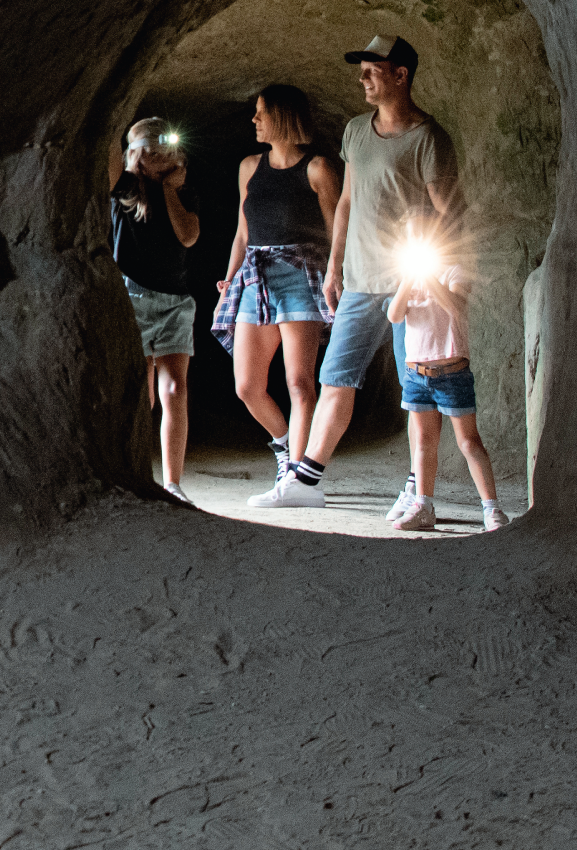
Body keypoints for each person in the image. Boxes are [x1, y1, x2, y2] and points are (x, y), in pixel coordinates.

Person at [260, 34, 463, 510]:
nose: (362, 78)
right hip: (359, 281)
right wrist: (335, 267)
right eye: (362, 70)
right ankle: (304, 482)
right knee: (336, 378)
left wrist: (437, 276)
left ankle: (418, 486)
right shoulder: (355, 130)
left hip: (410, 288)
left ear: (401, 75)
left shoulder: (428, 138)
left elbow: (450, 213)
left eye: (373, 70)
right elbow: (347, 202)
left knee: (417, 391)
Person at [211, 84, 340, 508]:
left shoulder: (318, 168)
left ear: (282, 116)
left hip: (302, 274)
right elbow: (242, 232)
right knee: (247, 385)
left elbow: (337, 230)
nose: (254, 119)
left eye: (261, 112)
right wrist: (229, 280)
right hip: (255, 276)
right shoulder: (250, 166)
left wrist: (335, 275)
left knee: (300, 382)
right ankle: (286, 451)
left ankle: (300, 483)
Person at [110, 117, 200, 500]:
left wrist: (169, 190)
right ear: (136, 152)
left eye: (167, 143)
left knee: (175, 389)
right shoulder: (125, 186)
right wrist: (131, 145)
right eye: (152, 145)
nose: (162, 150)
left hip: (175, 301)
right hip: (133, 298)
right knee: (141, 392)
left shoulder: (181, 191)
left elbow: (189, 236)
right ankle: (135, 474)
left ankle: (174, 485)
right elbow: (109, 144)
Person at [384, 267, 509, 532]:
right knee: (424, 442)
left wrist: (428, 275)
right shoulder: (407, 276)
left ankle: (493, 509)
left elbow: (455, 307)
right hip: (416, 375)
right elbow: (394, 316)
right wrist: (408, 280)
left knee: (468, 441)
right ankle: (423, 507)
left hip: (452, 374)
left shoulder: (455, 273)